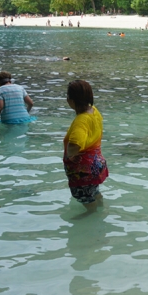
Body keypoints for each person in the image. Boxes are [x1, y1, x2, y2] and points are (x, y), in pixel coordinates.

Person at [63, 80, 109, 209]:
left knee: (83, 197)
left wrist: (69, 154)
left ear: (71, 100)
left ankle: (92, 214)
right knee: (94, 191)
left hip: (83, 171)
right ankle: (101, 208)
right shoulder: (94, 110)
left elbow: (75, 145)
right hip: (96, 164)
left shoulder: (81, 121)